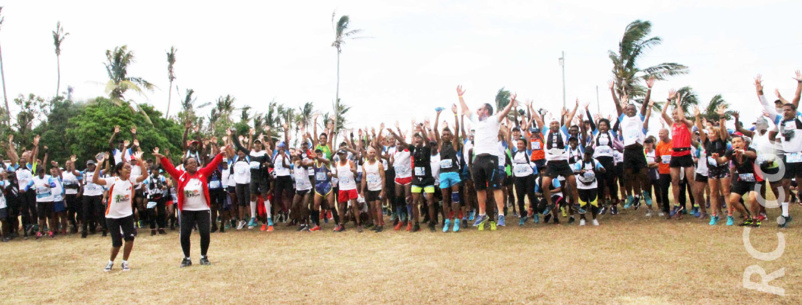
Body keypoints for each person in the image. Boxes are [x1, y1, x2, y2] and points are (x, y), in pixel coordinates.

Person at [154, 143, 227, 267]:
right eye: (191, 163)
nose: (194, 164)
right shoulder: (181, 176)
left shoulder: (202, 173)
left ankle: (204, 256)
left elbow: (213, 164)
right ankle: (186, 258)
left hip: (202, 209)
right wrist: (162, 158)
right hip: (187, 210)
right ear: (185, 166)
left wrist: (221, 154)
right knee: (185, 234)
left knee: (205, 233)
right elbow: (169, 168)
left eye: (195, 162)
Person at [456, 85, 517, 230]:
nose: (477, 110)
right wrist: (460, 96)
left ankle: (501, 214)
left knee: (496, 187)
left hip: (491, 158)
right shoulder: (476, 121)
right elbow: (465, 110)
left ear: (486, 111)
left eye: (480, 108)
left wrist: (511, 102)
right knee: (479, 188)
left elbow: (504, 113)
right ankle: (482, 214)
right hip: (478, 159)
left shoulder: (493, 120)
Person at [755, 74, 801, 228]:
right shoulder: (779, 120)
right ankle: (785, 214)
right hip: (788, 158)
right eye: (784, 109)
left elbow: (796, 97)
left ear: (794, 111)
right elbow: (765, 103)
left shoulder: (799, 119)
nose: (785, 111)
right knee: (785, 185)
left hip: (800, 157)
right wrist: (759, 90)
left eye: (788, 109)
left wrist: (799, 83)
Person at [92, 151, 147, 272]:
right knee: (117, 243)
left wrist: (140, 161)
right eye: (126, 168)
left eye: (130, 168)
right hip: (112, 216)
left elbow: (144, 176)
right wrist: (99, 165)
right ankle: (110, 262)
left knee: (130, 238)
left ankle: (125, 262)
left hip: (127, 215)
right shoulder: (113, 180)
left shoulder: (131, 180)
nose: (129, 170)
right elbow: (95, 180)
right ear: (119, 170)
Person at [531, 99, 580, 225]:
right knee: (544, 185)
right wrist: (530, 107)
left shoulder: (563, 131)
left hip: (563, 162)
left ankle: (576, 204)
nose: (554, 125)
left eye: (556, 123)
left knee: (573, 182)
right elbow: (538, 119)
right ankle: (549, 204)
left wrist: (576, 106)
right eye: (552, 123)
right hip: (552, 163)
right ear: (550, 125)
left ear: (558, 125)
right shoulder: (546, 131)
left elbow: (569, 119)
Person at [610, 78, 654, 209]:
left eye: (632, 109)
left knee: (644, 173)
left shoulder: (639, 118)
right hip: (628, 150)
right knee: (627, 175)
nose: (630, 110)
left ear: (635, 110)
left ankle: (645, 193)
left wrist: (649, 89)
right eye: (628, 108)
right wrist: (612, 90)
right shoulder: (623, 119)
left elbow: (645, 104)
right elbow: (618, 105)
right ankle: (629, 196)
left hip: (638, 149)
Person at [660, 90, 699, 219]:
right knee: (675, 180)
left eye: (676, 113)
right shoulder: (672, 125)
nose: (675, 116)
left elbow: (682, 118)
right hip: (675, 155)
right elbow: (663, 113)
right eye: (674, 114)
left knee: (691, 180)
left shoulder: (688, 124)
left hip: (686, 153)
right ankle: (677, 205)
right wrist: (668, 100)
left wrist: (678, 104)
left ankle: (696, 205)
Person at [230, 128, 273, 231]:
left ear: (261, 145)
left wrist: (267, 164)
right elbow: (239, 146)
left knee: (264, 196)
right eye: (256, 144)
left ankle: (269, 218)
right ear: (254, 145)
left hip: (262, 178)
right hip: (253, 178)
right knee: (252, 196)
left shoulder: (264, 154)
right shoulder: (251, 153)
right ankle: (253, 217)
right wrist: (233, 135)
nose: (257, 145)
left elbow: (272, 164)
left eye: (259, 144)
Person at [695, 106, 731, 225]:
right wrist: (697, 117)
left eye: (712, 132)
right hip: (711, 169)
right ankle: (714, 215)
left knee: (725, 192)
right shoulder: (706, 142)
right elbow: (700, 130)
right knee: (713, 193)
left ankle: (730, 215)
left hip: (723, 168)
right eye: (709, 133)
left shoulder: (722, 140)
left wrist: (722, 116)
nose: (710, 134)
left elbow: (722, 128)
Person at [434, 104, 463, 232]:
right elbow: (434, 129)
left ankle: (457, 220)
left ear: (450, 136)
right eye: (444, 134)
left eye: (447, 134)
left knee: (455, 198)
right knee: (445, 198)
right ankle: (447, 221)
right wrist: (438, 115)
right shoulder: (440, 144)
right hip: (444, 174)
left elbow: (457, 129)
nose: (446, 136)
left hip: (454, 173)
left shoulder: (454, 144)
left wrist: (455, 114)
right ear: (442, 136)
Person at [574, 148, 605, 226]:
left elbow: (603, 169)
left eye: (588, 155)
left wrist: (602, 169)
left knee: (593, 202)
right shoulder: (580, 162)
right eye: (585, 154)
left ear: (591, 155)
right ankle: (582, 218)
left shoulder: (595, 162)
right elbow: (575, 171)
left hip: (592, 185)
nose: (586, 156)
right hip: (581, 185)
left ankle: (594, 218)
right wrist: (579, 171)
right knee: (582, 203)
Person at [361, 146, 386, 232]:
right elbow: (364, 178)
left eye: (373, 153)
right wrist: (361, 190)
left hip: (378, 188)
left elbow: (383, 178)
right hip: (370, 188)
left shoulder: (379, 164)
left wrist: (383, 190)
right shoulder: (365, 165)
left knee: (378, 206)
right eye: (370, 153)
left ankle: (380, 224)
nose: (372, 154)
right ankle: (376, 223)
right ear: (367, 154)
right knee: (372, 207)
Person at [333, 149, 359, 232]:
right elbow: (337, 175)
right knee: (341, 207)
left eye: (343, 154)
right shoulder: (337, 164)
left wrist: (354, 171)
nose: (341, 156)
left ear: (346, 154)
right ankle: (342, 224)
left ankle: (358, 223)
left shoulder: (350, 162)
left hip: (351, 186)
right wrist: (332, 175)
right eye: (340, 154)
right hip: (342, 187)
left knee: (354, 206)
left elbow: (356, 174)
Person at [311, 149, 334, 231]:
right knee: (316, 205)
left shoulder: (326, 161)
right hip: (318, 187)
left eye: (320, 154)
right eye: (317, 155)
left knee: (331, 205)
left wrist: (317, 157)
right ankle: (317, 225)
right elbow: (305, 163)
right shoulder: (314, 163)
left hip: (327, 186)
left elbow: (326, 160)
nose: (318, 156)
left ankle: (338, 224)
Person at [290, 151, 314, 231]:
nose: (295, 160)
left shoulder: (304, 166)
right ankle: (302, 223)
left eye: (296, 159)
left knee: (304, 206)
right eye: (294, 159)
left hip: (307, 189)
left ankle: (307, 223)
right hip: (299, 189)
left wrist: (300, 161)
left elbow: (305, 165)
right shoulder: (293, 166)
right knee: (294, 206)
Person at [144, 166, 168, 235]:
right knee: (151, 213)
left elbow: (166, 184)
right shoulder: (148, 178)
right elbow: (143, 184)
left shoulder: (161, 177)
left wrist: (164, 187)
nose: (156, 171)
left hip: (160, 196)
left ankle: (161, 228)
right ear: (152, 170)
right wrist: (145, 193)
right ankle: (153, 229)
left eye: (157, 170)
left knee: (161, 213)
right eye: (155, 170)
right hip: (152, 197)